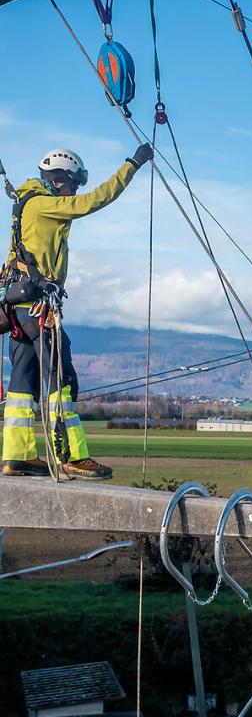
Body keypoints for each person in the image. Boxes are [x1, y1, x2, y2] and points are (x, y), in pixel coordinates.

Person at [1, 144, 153, 479]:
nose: (75, 191)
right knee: (62, 381)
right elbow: (94, 201)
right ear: (58, 180)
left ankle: (17, 456)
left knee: (22, 386)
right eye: (72, 184)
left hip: (19, 310)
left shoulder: (26, 204)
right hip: (39, 308)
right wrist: (133, 164)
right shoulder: (43, 205)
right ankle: (70, 455)